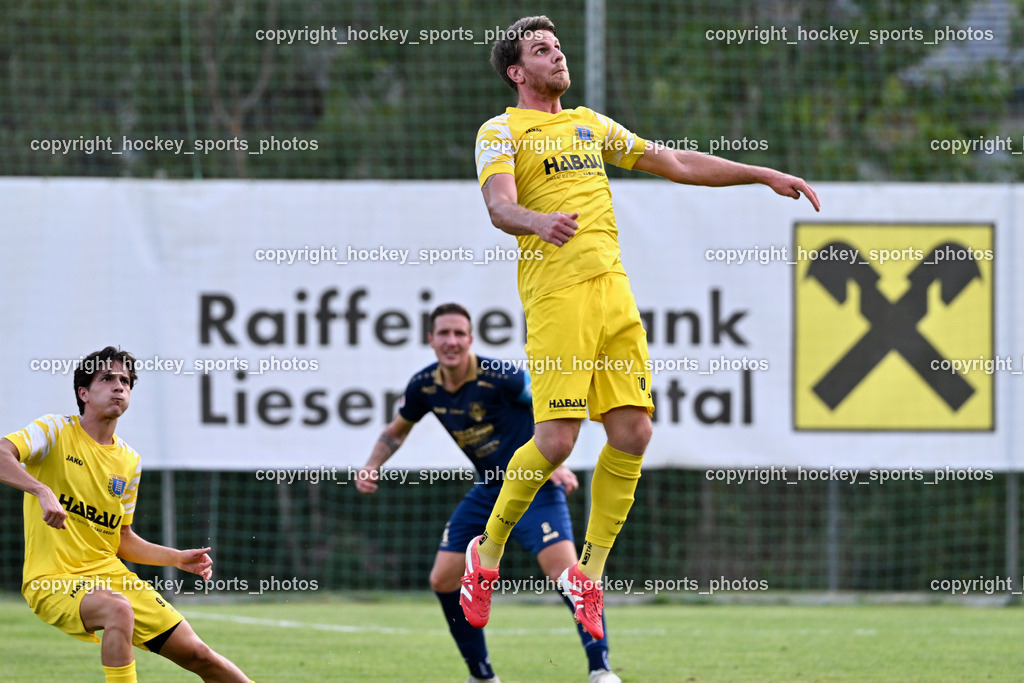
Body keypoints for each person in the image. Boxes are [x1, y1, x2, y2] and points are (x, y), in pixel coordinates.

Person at [463, 15, 821, 640]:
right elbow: (496, 206)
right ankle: (486, 553)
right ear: (518, 72)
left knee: (633, 431)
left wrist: (762, 174)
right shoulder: (501, 129)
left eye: (558, 47)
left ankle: (589, 576)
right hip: (558, 296)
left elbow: (674, 160)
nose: (557, 56)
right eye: (541, 51)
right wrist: (533, 220)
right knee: (556, 441)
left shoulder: (590, 124)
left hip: (613, 294)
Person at [356, 303, 621, 683]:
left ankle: (601, 669)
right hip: (488, 491)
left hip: (534, 485)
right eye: (443, 333)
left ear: (470, 339)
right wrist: (372, 464)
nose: (451, 341)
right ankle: (482, 676)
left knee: (567, 574)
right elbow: (395, 431)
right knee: (443, 579)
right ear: (430, 340)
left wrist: (555, 460)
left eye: (459, 333)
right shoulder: (424, 386)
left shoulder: (501, 376)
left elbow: (552, 406)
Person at [0, 346, 251, 683]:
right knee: (119, 608)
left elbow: (121, 538)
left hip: (110, 576)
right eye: (108, 378)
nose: (119, 386)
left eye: (126, 380)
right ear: (83, 392)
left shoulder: (129, 461)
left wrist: (175, 559)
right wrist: (42, 490)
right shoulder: (54, 430)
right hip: (52, 580)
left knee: (200, 656)